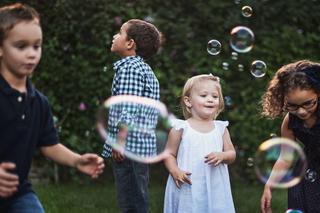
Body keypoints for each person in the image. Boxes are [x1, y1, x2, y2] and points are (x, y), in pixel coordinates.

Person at [0, 3, 105, 212]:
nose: (31, 54)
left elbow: (49, 144)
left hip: (18, 193)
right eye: (21, 46)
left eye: (36, 46)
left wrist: (77, 160)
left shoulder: (38, 102)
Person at [101, 19, 161, 212]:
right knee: (137, 195)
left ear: (130, 43)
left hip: (129, 146)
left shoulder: (130, 68)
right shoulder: (142, 68)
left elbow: (129, 105)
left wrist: (120, 140)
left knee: (131, 200)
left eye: (120, 33)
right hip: (138, 146)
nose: (114, 36)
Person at [163, 74, 236, 213]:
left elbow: (231, 154)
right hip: (188, 186)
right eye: (203, 96)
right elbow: (169, 154)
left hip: (215, 186)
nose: (210, 100)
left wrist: (223, 155)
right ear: (188, 101)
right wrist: (175, 170)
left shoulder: (220, 128)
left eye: (215, 97)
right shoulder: (181, 128)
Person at [260, 60, 320, 213]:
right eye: (292, 106)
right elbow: (286, 157)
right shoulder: (290, 121)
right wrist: (269, 185)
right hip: (305, 172)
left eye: (308, 104)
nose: (301, 112)